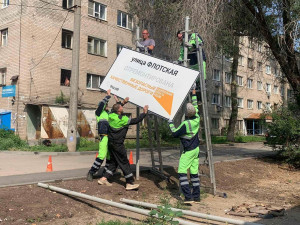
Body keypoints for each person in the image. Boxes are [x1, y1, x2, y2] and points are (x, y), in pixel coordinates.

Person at [98, 103, 149, 190]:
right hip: (118, 144)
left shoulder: (110, 115)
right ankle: (129, 183)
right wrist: (144, 113)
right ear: (119, 110)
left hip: (110, 144)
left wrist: (122, 102)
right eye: (121, 107)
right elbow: (136, 120)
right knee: (124, 162)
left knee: (114, 162)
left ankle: (104, 178)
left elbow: (114, 108)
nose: (123, 107)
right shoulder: (122, 119)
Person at [86, 89, 128, 181]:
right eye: (106, 105)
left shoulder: (109, 114)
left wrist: (122, 102)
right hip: (104, 137)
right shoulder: (98, 113)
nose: (107, 106)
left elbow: (117, 109)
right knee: (101, 155)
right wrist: (108, 96)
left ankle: (105, 175)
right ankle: (91, 172)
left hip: (111, 138)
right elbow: (101, 104)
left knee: (110, 157)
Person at [168, 89, 200, 204]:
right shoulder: (197, 117)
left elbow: (174, 133)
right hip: (196, 149)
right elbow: (195, 105)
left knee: (181, 172)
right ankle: (196, 196)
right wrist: (194, 93)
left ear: (186, 114)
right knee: (194, 173)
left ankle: (188, 197)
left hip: (189, 150)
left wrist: (170, 123)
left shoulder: (186, 124)